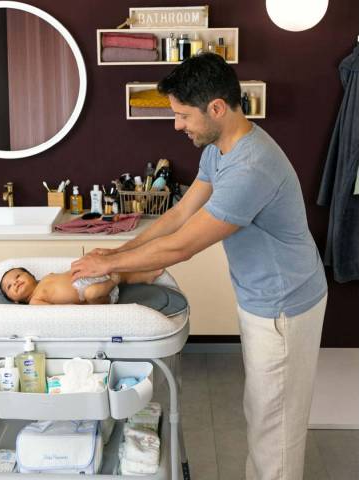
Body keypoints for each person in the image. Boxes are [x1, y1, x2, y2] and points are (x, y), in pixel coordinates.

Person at [70, 53, 328, 480]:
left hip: (284, 304)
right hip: (261, 295)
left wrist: (112, 264)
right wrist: (116, 255)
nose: (177, 125)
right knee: (263, 408)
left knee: (275, 424)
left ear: (217, 108)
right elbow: (178, 215)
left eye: (182, 115)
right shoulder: (218, 150)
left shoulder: (251, 167)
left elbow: (182, 246)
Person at [0, 266, 163, 305]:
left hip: (87, 280)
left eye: (18, 275)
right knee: (92, 292)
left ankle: (142, 276)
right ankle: (116, 280)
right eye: (9, 286)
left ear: (32, 276)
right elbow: (55, 313)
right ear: (15, 301)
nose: (15, 282)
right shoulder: (35, 301)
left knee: (98, 267)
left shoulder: (46, 278)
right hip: (92, 298)